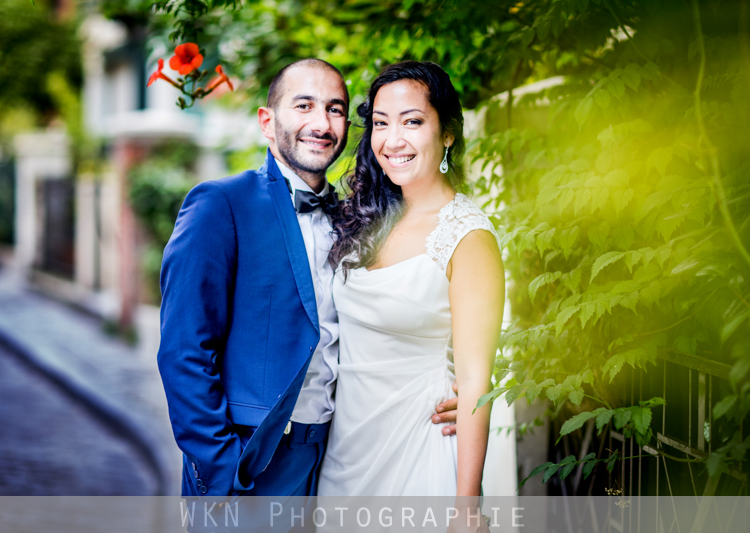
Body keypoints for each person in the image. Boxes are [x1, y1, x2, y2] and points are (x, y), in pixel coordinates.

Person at [157, 58, 459, 497]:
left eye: (335, 109)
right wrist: (221, 468)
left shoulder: (355, 219)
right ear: (267, 121)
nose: (321, 123)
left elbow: (398, 310)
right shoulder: (221, 205)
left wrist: (450, 385)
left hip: (337, 459)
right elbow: (184, 351)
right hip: (252, 460)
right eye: (304, 106)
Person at [318, 61, 506, 499]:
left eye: (413, 122)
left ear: (448, 133)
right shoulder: (365, 217)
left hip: (419, 450)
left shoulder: (468, 237)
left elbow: (475, 384)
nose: (392, 140)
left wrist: (467, 506)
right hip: (345, 458)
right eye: (381, 123)